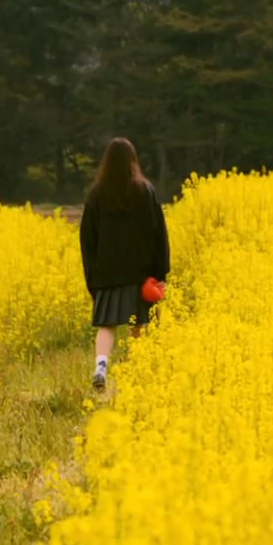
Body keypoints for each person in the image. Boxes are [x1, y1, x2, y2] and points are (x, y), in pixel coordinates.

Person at [78, 137, 171, 390]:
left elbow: (87, 238)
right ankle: (135, 373)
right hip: (139, 272)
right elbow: (158, 233)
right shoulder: (145, 190)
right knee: (137, 324)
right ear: (133, 160)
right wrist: (160, 271)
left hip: (107, 273)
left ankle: (100, 367)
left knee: (107, 325)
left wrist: (92, 276)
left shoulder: (97, 195)